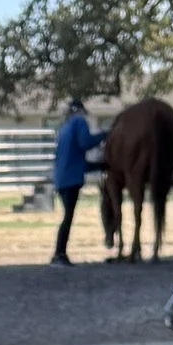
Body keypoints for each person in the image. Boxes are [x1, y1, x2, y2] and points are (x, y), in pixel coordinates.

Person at [49, 96, 100, 264]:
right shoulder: (79, 123)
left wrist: (102, 166)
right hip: (71, 180)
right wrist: (104, 135)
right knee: (68, 217)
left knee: (67, 216)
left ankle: (59, 253)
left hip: (61, 179)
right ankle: (59, 254)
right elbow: (86, 143)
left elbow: (74, 158)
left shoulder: (64, 129)